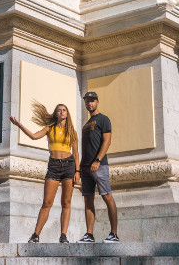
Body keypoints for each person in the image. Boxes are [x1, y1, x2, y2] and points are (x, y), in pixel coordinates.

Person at [10, 101, 80, 243]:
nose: (62, 112)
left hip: (69, 165)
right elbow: (34, 137)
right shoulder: (50, 129)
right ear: (55, 113)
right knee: (47, 202)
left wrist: (77, 171)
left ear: (67, 114)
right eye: (59, 110)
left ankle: (63, 235)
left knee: (66, 202)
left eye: (64, 110)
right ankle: (36, 235)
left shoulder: (72, 130)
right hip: (54, 166)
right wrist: (19, 125)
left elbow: (76, 153)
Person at [77, 91, 119, 243]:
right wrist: (81, 166)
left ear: (97, 102)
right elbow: (85, 146)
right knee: (88, 199)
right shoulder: (86, 124)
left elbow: (107, 141)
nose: (90, 103)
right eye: (87, 101)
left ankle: (114, 234)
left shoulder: (103, 119)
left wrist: (98, 160)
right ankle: (89, 234)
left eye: (92, 100)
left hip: (99, 165)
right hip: (86, 167)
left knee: (107, 196)